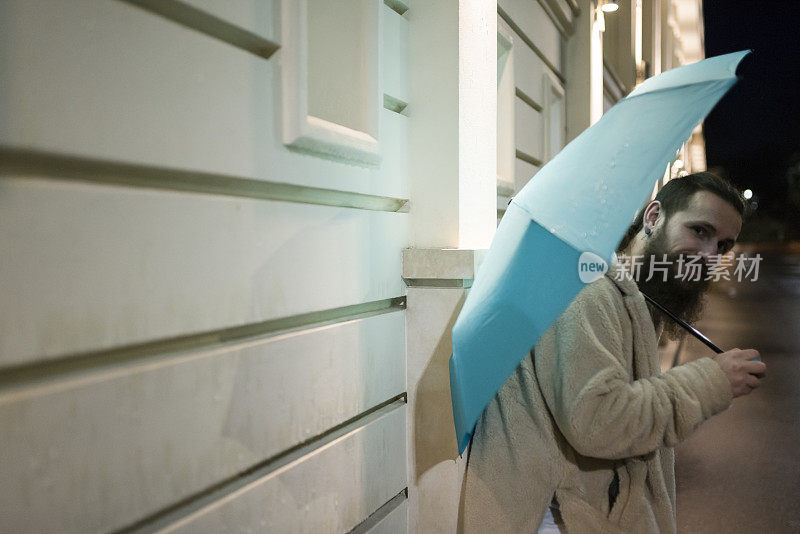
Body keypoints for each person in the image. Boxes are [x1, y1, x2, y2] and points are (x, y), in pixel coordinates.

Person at [459, 172, 767, 533]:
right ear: (653, 217)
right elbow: (599, 420)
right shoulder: (588, 290)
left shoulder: (635, 295)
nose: (708, 254)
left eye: (723, 246)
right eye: (699, 231)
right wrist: (709, 381)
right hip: (554, 516)